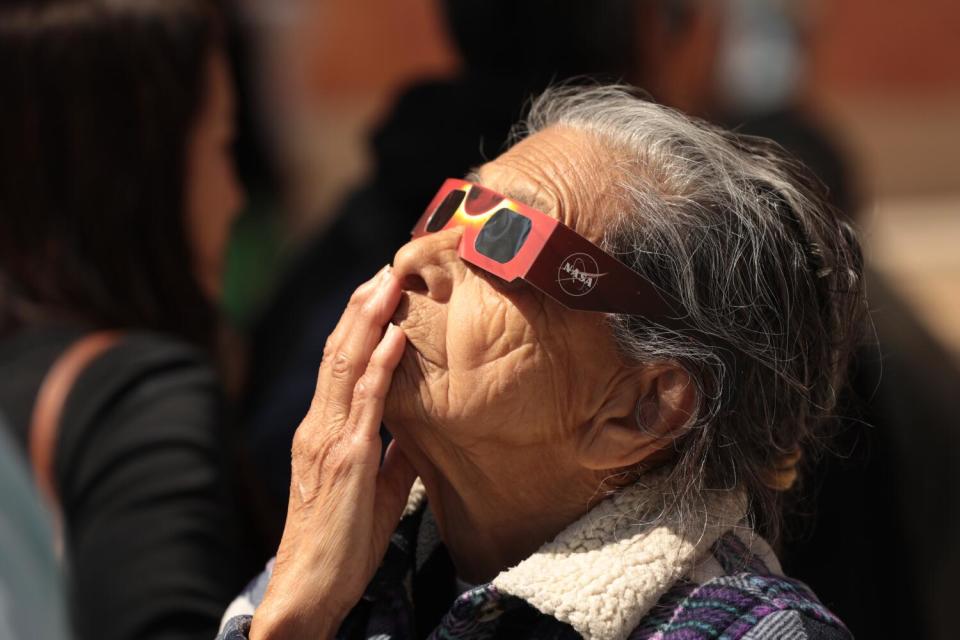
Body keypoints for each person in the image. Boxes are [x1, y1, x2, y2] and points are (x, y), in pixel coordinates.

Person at [219, 86, 864, 639]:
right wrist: (295, 618)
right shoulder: (329, 565)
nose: (415, 260)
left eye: (505, 240)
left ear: (639, 409)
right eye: (450, 210)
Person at [0, 0, 257, 638]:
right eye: (223, 147)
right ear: (136, 171)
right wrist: (312, 580)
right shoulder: (140, 397)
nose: (237, 198)